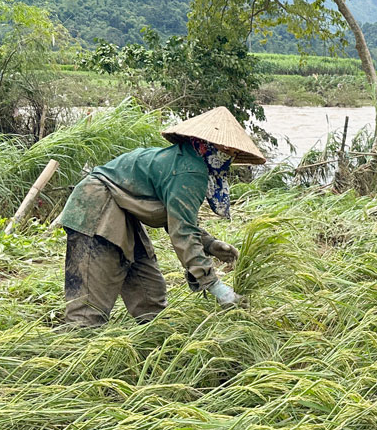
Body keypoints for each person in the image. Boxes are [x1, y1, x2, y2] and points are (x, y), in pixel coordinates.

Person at [56, 106, 266, 326]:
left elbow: (176, 218)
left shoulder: (188, 161)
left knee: (150, 297)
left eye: (232, 151)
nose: (229, 155)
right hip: (96, 206)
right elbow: (182, 232)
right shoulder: (191, 170)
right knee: (87, 313)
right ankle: (73, 350)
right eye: (226, 148)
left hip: (124, 211)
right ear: (209, 144)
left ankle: (152, 343)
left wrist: (210, 244)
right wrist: (216, 286)